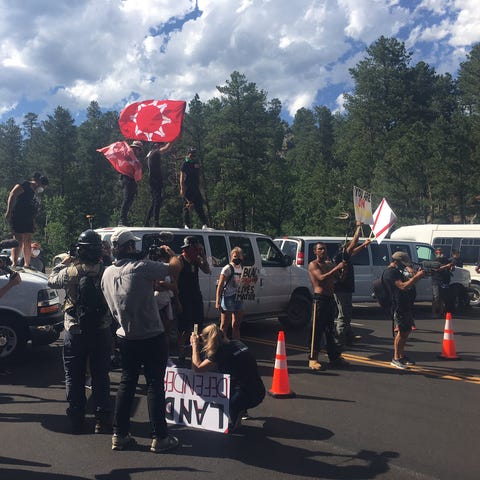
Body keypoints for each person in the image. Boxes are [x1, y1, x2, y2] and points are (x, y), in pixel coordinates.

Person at [100, 228, 179, 453]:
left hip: (125, 336)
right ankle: (160, 437)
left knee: (127, 383)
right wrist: (170, 253)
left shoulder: (106, 273)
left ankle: (120, 434)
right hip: (151, 336)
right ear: (128, 247)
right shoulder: (141, 268)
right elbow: (174, 269)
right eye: (133, 245)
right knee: (155, 384)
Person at [48, 229, 112, 434]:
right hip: (101, 329)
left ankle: (76, 418)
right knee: (101, 375)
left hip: (74, 330)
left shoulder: (70, 272)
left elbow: (51, 279)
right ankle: (102, 419)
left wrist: (66, 260)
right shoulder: (107, 271)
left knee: (73, 376)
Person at [190, 323, 265, 431]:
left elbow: (197, 369)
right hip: (259, 390)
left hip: (247, 396)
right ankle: (241, 407)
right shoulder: (237, 343)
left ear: (208, 340)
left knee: (221, 402)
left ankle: (237, 412)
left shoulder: (220, 352)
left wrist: (195, 345)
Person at [307, 242, 349, 371]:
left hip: (330, 298)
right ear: (315, 251)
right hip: (320, 299)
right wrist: (337, 268)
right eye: (320, 249)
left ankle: (334, 357)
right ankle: (313, 358)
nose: (323, 251)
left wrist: (344, 269)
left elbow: (340, 279)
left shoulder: (330, 264)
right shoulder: (313, 264)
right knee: (317, 330)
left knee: (330, 330)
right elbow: (321, 278)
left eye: (324, 249)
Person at [170, 235, 211, 366]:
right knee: (182, 327)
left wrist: (203, 255)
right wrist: (177, 301)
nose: (196, 252)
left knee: (196, 324)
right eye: (195, 249)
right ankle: (181, 352)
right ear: (187, 249)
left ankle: (195, 347)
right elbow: (174, 282)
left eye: (198, 250)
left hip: (195, 297)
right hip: (183, 298)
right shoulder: (180, 260)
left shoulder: (197, 260)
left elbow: (207, 270)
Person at [383, 251, 425, 369]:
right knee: (401, 332)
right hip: (398, 306)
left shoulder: (397, 271)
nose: (405, 266)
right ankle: (396, 358)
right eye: (404, 263)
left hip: (405, 304)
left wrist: (415, 275)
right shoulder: (390, 272)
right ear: (396, 262)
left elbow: (408, 283)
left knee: (406, 331)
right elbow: (402, 286)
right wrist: (417, 277)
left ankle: (401, 355)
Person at [334, 221, 371, 348]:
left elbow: (353, 250)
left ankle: (349, 337)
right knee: (343, 315)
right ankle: (338, 341)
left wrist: (364, 245)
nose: (350, 248)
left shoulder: (344, 256)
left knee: (347, 313)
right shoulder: (341, 256)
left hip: (346, 289)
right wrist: (359, 227)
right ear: (344, 249)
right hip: (342, 290)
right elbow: (353, 244)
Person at [5, 172, 49, 268]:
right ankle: (14, 263)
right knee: (18, 239)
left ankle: (27, 264)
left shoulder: (35, 192)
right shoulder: (24, 185)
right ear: (37, 182)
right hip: (17, 215)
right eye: (42, 186)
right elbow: (12, 195)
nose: (42, 188)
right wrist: (8, 211)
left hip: (28, 218)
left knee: (28, 240)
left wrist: (33, 222)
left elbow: (32, 208)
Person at [216, 247, 244, 340]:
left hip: (239, 297)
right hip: (228, 297)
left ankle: (237, 344)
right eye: (235, 256)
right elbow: (220, 285)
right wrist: (218, 301)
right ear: (231, 257)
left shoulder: (243, 268)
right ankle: (221, 345)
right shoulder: (227, 268)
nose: (237, 258)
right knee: (224, 325)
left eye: (239, 256)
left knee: (237, 324)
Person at [144, 142, 173, 227]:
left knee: (154, 201)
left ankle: (147, 222)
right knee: (157, 200)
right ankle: (155, 222)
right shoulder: (155, 152)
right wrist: (173, 139)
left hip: (153, 179)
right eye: (161, 145)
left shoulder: (150, 154)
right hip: (155, 180)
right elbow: (167, 148)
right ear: (158, 146)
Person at [180, 147, 208, 229]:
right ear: (189, 153)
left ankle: (204, 224)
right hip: (187, 187)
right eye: (192, 153)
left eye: (194, 153)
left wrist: (201, 189)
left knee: (199, 206)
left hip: (196, 187)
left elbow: (199, 176)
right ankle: (187, 225)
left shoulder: (196, 163)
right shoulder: (185, 163)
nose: (193, 155)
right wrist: (182, 188)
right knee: (187, 206)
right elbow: (182, 175)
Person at [118, 140, 143, 227]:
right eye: (139, 149)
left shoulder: (133, 158)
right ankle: (122, 220)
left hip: (131, 179)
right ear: (135, 149)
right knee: (127, 199)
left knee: (129, 199)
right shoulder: (129, 156)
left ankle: (124, 220)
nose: (139, 152)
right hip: (127, 178)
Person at [431, 248, 455, 317]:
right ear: (435, 253)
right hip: (436, 280)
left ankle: (441, 312)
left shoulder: (445, 260)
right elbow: (436, 269)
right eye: (438, 252)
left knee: (442, 297)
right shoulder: (433, 260)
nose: (439, 253)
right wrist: (446, 266)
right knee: (436, 297)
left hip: (444, 280)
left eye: (440, 252)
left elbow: (452, 269)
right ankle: (434, 313)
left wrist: (451, 267)